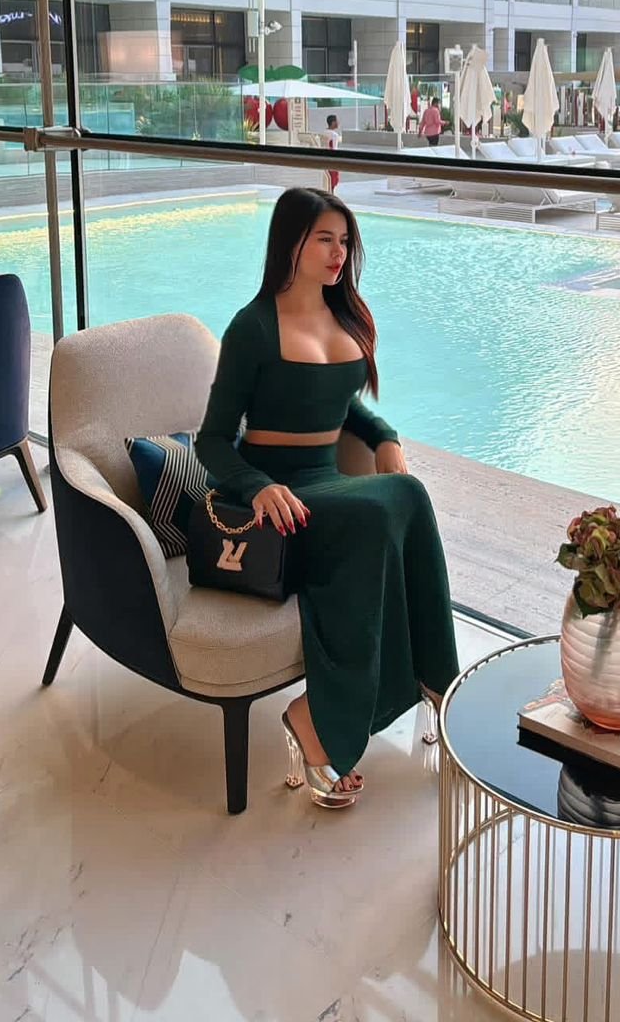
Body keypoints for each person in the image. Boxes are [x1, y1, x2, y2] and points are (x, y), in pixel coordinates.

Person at [196, 189, 460, 810]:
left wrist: (385, 436)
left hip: (326, 482)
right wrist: (258, 486)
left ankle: (435, 682)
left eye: (344, 241)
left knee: (406, 495)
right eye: (324, 239)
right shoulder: (253, 328)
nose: (338, 253)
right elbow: (211, 440)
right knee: (381, 508)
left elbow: (347, 408)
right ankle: (314, 722)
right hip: (275, 498)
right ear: (291, 242)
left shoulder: (345, 319)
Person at [324, 113, 341, 192]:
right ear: (333, 122)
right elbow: (334, 149)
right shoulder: (334, 135)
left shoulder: (323, 132)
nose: (338, 123)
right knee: (333, 181)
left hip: (325, 159)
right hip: (332, 160)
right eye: (337, 121)